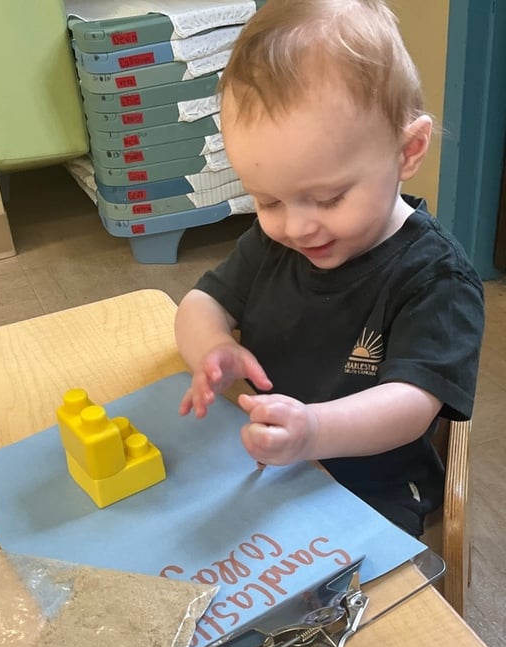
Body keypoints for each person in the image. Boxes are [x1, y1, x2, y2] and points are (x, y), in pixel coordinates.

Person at [174, 0, 485, 537]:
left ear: (407, 151)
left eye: (328, 197)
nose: (297, 228)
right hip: (264, 456)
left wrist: (313, 431)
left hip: (373, 484)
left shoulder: (436, 278)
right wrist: (212, 348)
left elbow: (411, 405)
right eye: (268, 202)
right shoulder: (277, 245)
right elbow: (201, 304)